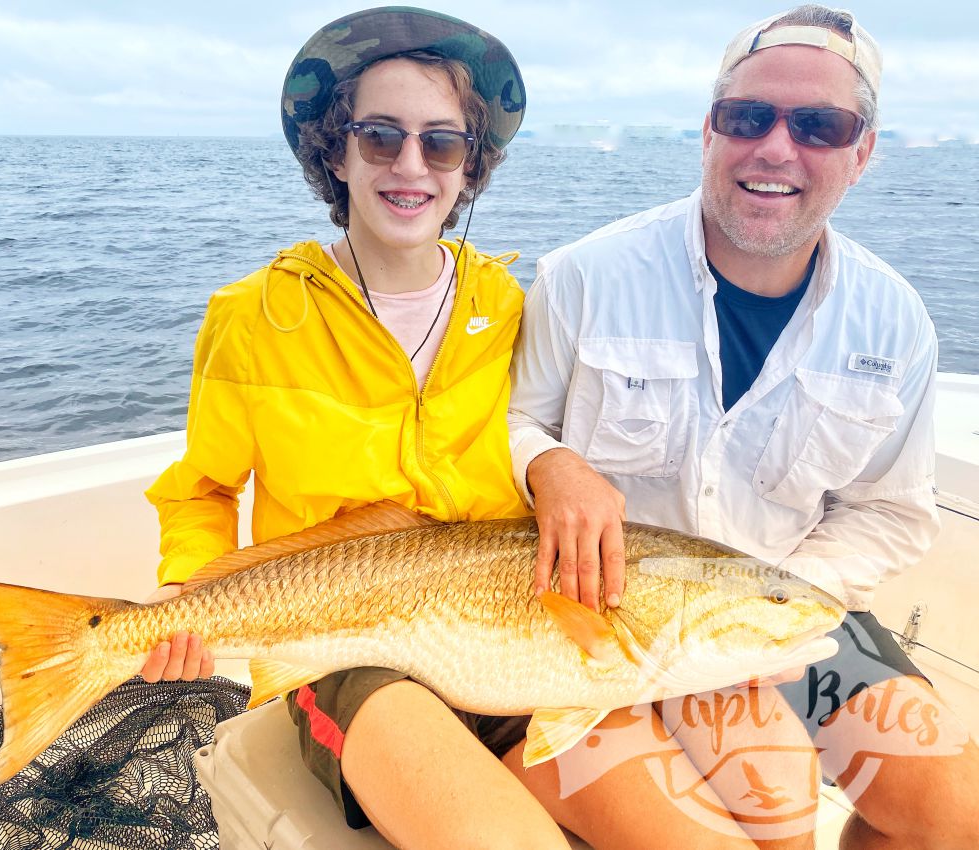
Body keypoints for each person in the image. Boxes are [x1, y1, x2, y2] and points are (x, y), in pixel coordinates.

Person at [507, 5, 979, 849]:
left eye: (820, 126)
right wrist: (548, 464)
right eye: (749, 116)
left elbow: (892, 509)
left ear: (862, 152)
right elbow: (509, 424)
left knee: (956, 820)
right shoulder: (584, 275)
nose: (776, 148)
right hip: (591, 623)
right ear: (709, 131)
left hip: (792, 616)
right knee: (763, 833)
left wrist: (767, 609)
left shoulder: (894, 322)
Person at [137, 8, 578, 850]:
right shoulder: (253, 316)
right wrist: (185, 590)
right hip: (339, 646)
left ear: (469, 168)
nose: (411, 167)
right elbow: (203, 488)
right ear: (334, 154)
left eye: (441, 143)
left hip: (514, 629)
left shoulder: (515, 308)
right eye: (380, 137)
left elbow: (542, 436)